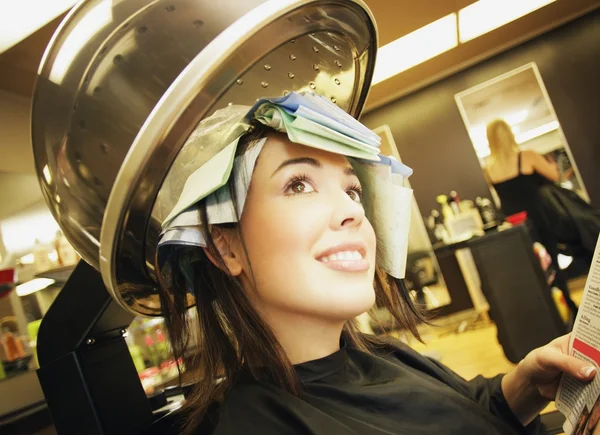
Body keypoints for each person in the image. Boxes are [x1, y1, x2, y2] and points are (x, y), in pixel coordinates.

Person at [156, 96, 597, 435]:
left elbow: (461, 410)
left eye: (352, 190)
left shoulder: (383, 353)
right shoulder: (261, 424)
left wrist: (520, 387)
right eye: (298, 184)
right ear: (224, 247)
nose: (354, 213)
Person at [484, 118, 579, 316]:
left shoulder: (489, 169)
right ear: (510, 134)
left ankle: (548, 313)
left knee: (532, 270)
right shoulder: (527, 156)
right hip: (538, 218)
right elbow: (555, 176)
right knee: (552, 263)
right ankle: (567, 307)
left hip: (514, 225)